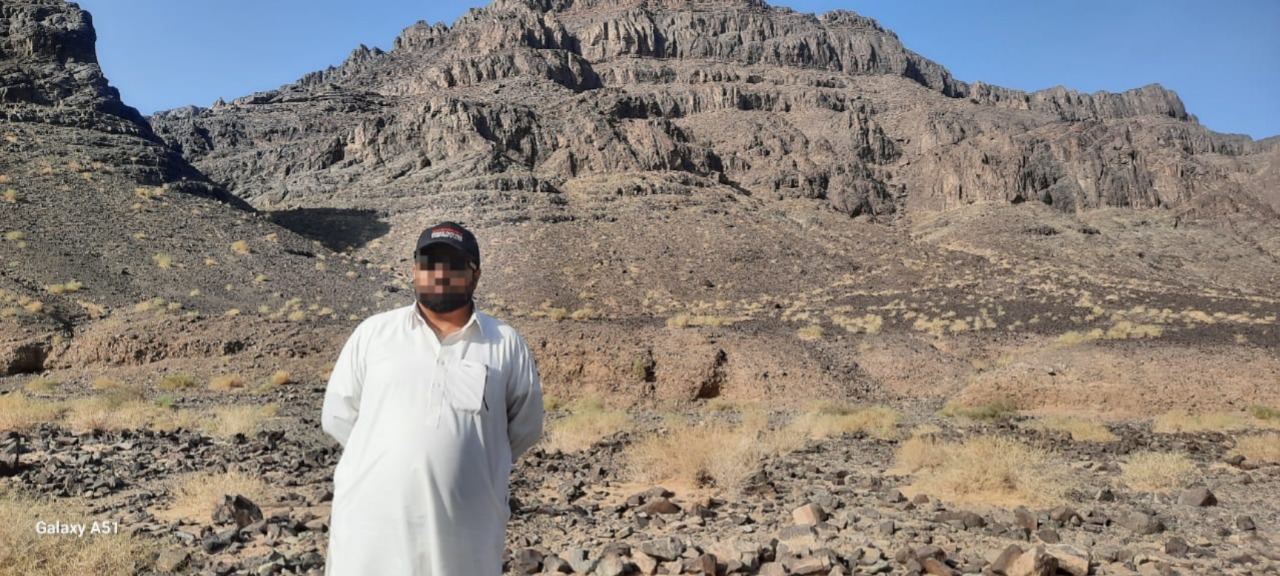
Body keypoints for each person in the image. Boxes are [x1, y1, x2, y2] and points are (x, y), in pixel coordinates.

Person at [321, 221, 544, 576]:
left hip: (466, 531)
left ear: (475, 275)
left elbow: (525, 427)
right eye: (429, 263)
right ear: (414, 270)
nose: (439, 273)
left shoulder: (505, 343)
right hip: (371, 530)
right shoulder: (374, 334)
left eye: (454, 265)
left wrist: (469, 462)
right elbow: (339, 416)